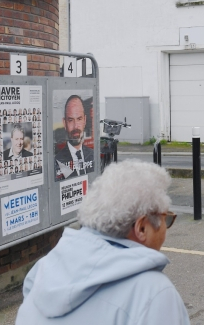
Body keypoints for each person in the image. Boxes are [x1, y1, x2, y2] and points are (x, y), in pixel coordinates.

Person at [16, 160, 190, 324]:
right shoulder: (154, 293)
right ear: (142, 228)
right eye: (166, 219)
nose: (166, 228)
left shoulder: (44, 270)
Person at [54, 95, 95, 180]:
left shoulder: (92, 155)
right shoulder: (57, 161)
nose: (76, 126)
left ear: (85, 120)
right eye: (71, 120)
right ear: (64, 123)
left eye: (79, 119)